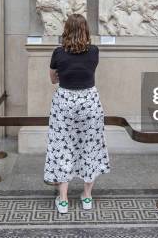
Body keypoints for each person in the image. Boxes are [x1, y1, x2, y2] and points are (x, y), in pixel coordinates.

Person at [45, 14, 110, 214]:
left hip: (65, 101)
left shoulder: (58, 53)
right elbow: (88, 71)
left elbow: (53, 80)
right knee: (90, 146)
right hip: (89, 101)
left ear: (66, 30)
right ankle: (87, 197)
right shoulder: (94, 52)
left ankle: (63, 200)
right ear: (85, 30)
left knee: (62, 147)